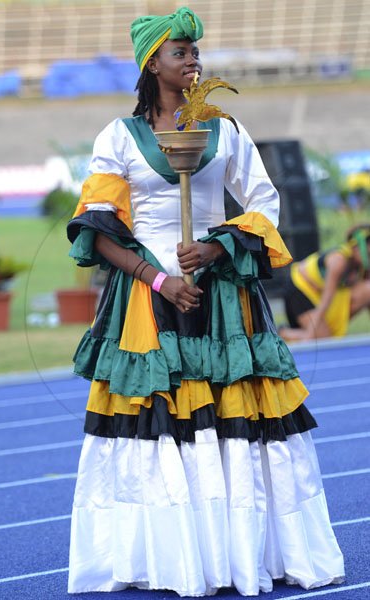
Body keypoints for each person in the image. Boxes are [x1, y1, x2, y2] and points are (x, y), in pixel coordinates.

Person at [67, 6, 344, 597]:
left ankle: (240, 555)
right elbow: (97, 227)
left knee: (233, 417)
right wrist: (160, 278)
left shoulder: (227, 130)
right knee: (163, 421)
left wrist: (217, 249)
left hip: (222, 301)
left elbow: (264, 203)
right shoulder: (117, 137)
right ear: (152, 63)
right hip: (149, 300)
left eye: (196, 52)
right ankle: (173, 559)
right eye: (181, 52)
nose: (193, 61)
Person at [279, 223, 370, 342]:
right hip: (299, 290)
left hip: (320, 293)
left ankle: (317, 333)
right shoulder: (338, 261)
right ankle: (282, 333)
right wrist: (311, 336)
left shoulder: (363, 265)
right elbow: (325, 304)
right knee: (324, 339)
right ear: (356, 246)